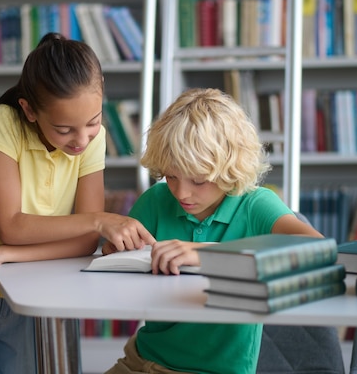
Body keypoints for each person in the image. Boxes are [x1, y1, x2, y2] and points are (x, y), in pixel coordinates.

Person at [0, 32, 156, 374]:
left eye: (92, 122)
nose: (81, 140)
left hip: (37, 284)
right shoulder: (3, 122)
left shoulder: (95, 139)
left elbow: (84, 244)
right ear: (29, 110)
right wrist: (97, 219)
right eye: (64, 130)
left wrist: (2, 254)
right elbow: (13, 226)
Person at [103, 88, 324, 374]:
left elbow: (316, 249)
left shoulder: (254, 205)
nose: (181, 192)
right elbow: (118, 264)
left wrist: (202, 253)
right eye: (171, 176)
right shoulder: (157, 200)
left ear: (228, 169)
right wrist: (114, 249)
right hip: (141, 361)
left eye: (199, 180)